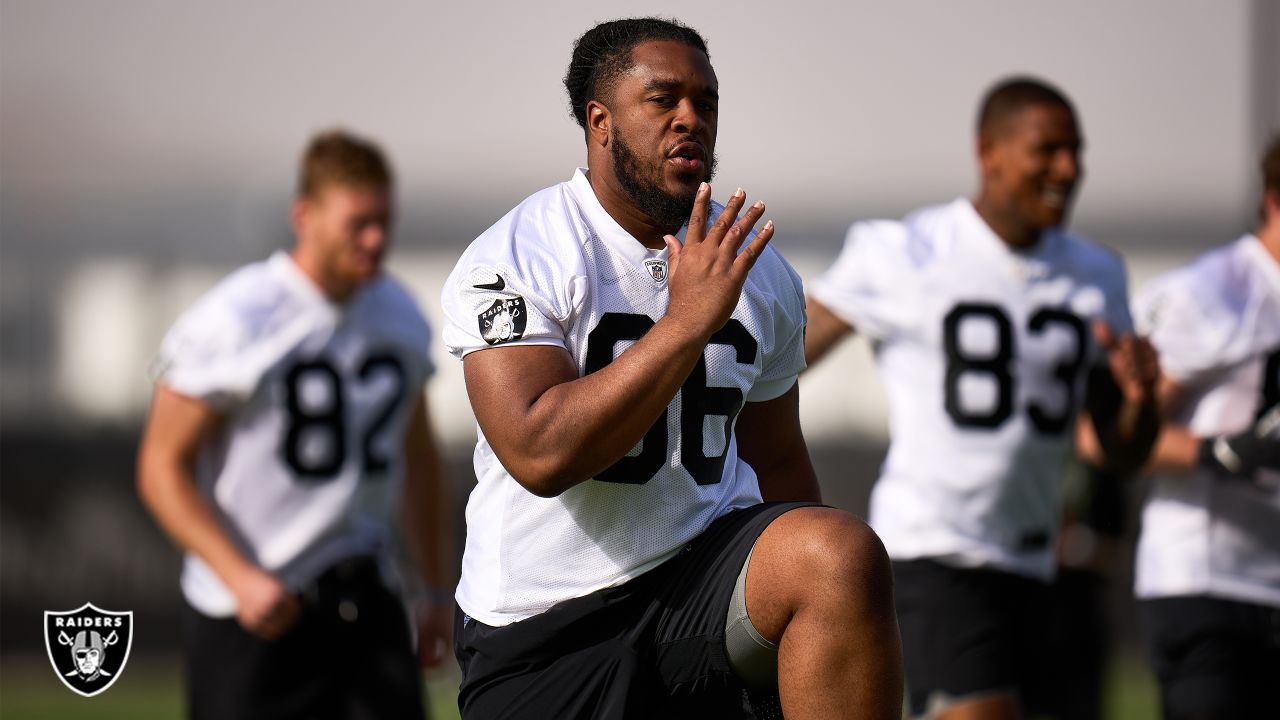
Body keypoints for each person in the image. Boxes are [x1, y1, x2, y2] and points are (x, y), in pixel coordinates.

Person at [440, 17, 902, 720]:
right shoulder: (519, 254)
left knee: (838, 556)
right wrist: (686, 323)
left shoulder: (758, 268)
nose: (691, 119)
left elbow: (775, 459)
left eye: (706, 102)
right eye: (663, 100)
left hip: (700, 588)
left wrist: (819, 627)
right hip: (545, 622)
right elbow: (538, 452)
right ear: (601, 122)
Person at [803, 77, 1160, 720]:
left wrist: (1140, 398)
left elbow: (1123, 449)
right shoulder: (908, 252)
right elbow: (782, 354)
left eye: (1076, 151)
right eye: (1047, 150)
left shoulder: (1097, 273)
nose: (1068, 169)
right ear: (989, 152)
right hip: (934, 550)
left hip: (1040, 562)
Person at [136, 130, 453, 720]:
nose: (376, 240)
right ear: (304, 216)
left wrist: (434, 589)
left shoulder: (400, 313)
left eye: (385, 221)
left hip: (366, 601)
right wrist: (239, 577)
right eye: (358, 223)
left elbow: (420, 460)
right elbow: (160, 466)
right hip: (254, 611)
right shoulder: (236, 317)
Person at [1132, 134, 1280, 720]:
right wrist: (1223, 452)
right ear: (1273, 198)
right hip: (1208, 585)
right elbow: (1110, 438)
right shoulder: (1215, 292)